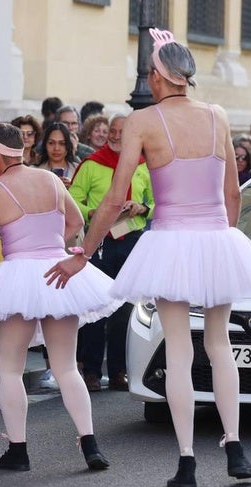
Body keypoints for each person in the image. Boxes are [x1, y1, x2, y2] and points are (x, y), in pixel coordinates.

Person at [45, 28, 251, 487]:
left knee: (179, 348)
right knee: (220, 345)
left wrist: (82, 253)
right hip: (215, 236)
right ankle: (234, 447)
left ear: (156, 76)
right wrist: (222, 241)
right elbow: (231, 192)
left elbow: (115, 198)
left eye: (149, 74)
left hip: (172, 240)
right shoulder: (217, 115)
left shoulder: (143, 122)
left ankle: (188, 460)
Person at [0, 115, 118, 472]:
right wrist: (52, 246)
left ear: (0, 156)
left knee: (10, 369)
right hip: (56, 271)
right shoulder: (50, 178)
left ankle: (18, 450)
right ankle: (90, 444)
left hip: (18, 275)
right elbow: (77, 222)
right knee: (67, 367)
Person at [68, 113, 154, 392]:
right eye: (113, 131)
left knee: (126, 310)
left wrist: (143, 208)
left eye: (122, 131)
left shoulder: (143, 165)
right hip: (100, 240)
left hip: (132, 239)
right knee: (97, 306)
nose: (116, 136)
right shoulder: (91, 164)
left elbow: (155, 201)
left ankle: (118, 371)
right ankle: (91, 371)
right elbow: (72, 201)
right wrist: (92, 211)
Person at [35, 122, 78, 187]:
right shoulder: (34, 171)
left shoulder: (80, 170)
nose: (56, 148)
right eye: (51, 143)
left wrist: (74, 188)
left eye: (62, 143)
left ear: (68, 145)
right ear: (45, 145)